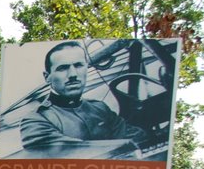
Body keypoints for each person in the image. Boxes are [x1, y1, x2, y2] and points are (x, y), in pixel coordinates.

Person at [19, 41, 147, 152]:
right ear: (47, 77)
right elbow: (70, 153)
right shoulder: (35, 120)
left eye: (79, 65)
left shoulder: (100, 108)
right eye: (63, 68)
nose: (73, 74)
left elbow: (138, 137)